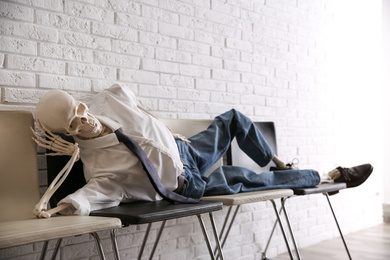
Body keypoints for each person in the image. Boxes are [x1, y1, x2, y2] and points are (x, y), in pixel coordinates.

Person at [33, 84, 373, 216]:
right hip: (188, 187)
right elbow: (95, 193)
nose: (85, 123)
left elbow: (125, 93)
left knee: (233, 120)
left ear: (82, 105)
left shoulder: (108, 102)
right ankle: (330, 176)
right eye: (74, 126)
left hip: (188, 151)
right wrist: (65, 205)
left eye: (80, 112)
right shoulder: (99, 167)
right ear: (67, 133)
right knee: (241, 177)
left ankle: (276, 161)